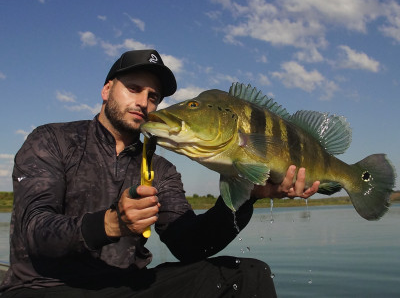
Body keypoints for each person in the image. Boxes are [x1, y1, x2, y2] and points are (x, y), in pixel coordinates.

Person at [0, 49, 319, 297]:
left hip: (126, 286)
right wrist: (109, 224)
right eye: (134, 88)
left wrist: (249, 195)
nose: (143, 102)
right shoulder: (51, 140)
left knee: (247, 274)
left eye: (153, 97)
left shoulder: (160, 169)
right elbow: (35, 232)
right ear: (107, 90)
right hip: (44, 288)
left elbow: (191, 246)